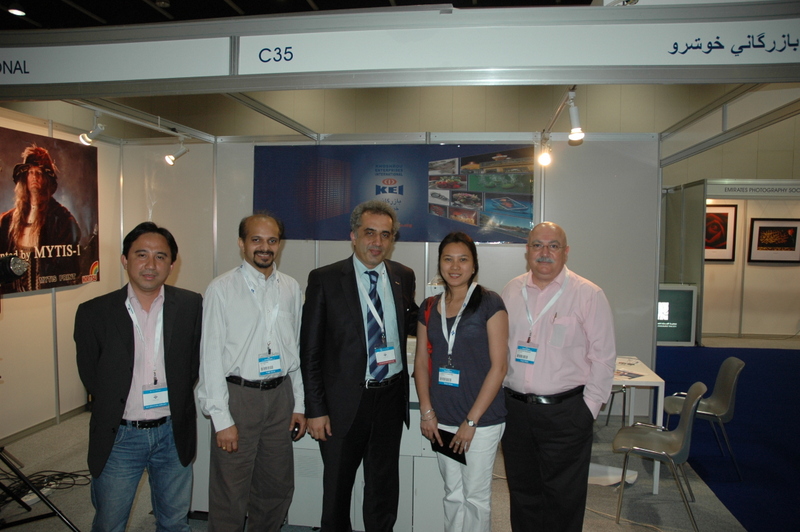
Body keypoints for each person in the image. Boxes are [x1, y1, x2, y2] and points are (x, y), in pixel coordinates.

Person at [74, 222, 202, 532]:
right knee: (110, 524)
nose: (150, 265)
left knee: (175, 522)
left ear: (172, 264)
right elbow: (90, 374)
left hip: (172, 433)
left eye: (161, 256)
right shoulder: (94, 312)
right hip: (120, 436)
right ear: (125, 259)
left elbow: (193, 364)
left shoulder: (190, 305)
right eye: (141, 255)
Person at [300, 199, 418, 532]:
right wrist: (315, 410)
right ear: (353, 236)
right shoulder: (325, 279)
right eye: (369, 233)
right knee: (337, 489)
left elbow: (412, 322)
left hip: (389, 400)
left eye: (385, 235)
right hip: (343, 405)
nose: (377, 242)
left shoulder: (403, 276)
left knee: (383, 488)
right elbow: (310, 351)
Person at [500, 221, 616, 532]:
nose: (545, 252)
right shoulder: (511, 290)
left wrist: (587, 411)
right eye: (537, 245)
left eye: (553, 246)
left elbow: (604, 358)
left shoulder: (588, 294)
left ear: (566, 252)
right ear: (527, 251)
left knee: (564, 498)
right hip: (516, 412)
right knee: (522, 493)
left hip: (566, 413)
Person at [196, 213, 306, 531]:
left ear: (279, 244)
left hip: (280, 396)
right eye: (256, 240)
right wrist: (221, 419)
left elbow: (296, 349)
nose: (264, 247)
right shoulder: (221, 288)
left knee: (276, 487)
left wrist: (299, 404)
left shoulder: (291, 287)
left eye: (272, 240)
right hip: (239, 398)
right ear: (241, 243)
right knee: (230, 491)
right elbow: (210, 357)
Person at [414, 231, 508, 532]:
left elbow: (499, 367)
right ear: (440, 264)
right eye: (448, 259)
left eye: (463, 260)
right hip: (442, 418)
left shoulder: (490, 302)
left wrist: (471, 421)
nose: (455, 267)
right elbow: (420, 363)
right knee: (452, 494)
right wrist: (426, 412)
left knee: (475, 497)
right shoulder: (429, 306)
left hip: (480, 421)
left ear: (474, 265)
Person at [0, 144, 81, 292]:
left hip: (50, 292)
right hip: (15, 297)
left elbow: (68, 268)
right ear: (25, 177)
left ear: (46, 179)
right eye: (31, 172)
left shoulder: (62, 219)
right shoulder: (7, 221)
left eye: (39, 172)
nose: (35, 177)